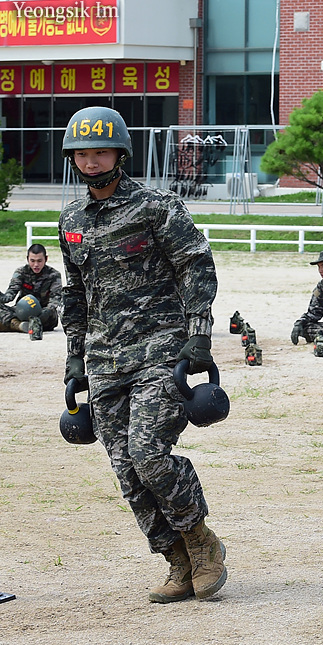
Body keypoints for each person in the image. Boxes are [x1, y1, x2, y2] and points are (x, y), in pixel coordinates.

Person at [59, 106, 226, 604]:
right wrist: (73, 358)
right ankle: (176, 559)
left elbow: (196, 264)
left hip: (162, 353)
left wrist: (199, 335)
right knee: (126, 471)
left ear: (120, 155)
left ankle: (202, 541)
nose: (91, 162)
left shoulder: (156, 207)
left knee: (149, 453)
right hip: (104, 359)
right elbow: (75, 293)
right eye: (82, 154)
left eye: (100, 152)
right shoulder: (71, 220)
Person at [0, 244, 63, 332]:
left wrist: (47, 310)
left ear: (46, 259)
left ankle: (9, 325)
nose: (36, 265)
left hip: (42, 313)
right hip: (21, 310)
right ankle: (17, 324)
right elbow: (12, 290)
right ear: (27, 259)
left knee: (51, 315)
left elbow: (56, 299)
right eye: (32, 261)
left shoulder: (54, 275)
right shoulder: (21, 272)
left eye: (39, 261)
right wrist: (6, 297)